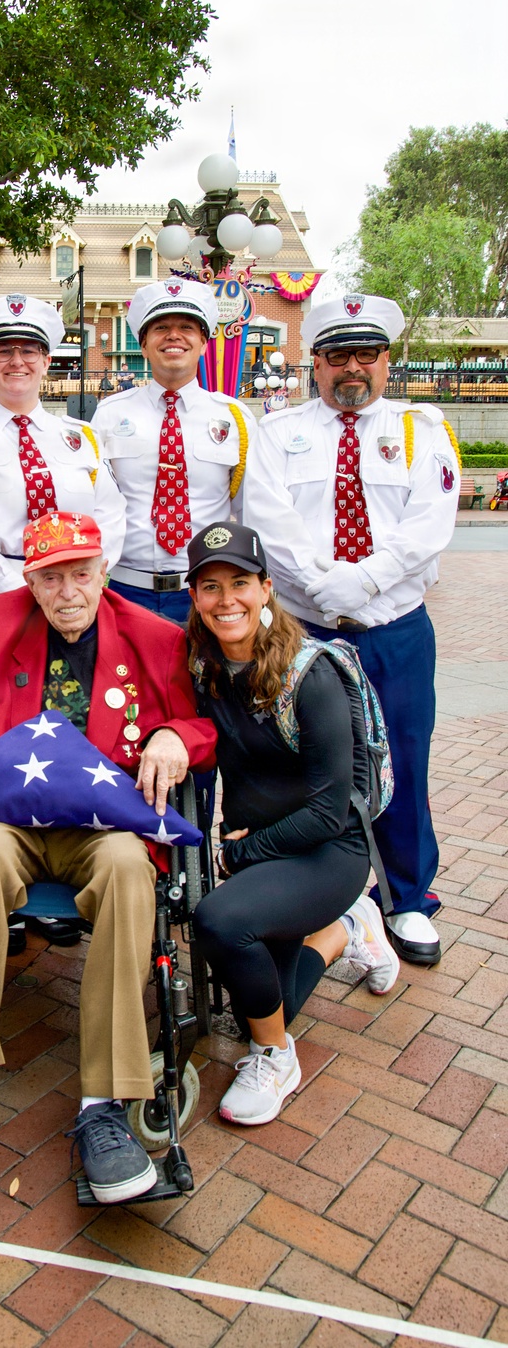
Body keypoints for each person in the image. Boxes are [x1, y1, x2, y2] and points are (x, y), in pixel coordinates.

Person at [0, 510, 217, 1199]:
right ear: (30, 585)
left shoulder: (155, 638)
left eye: (80, 573)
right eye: (50, 579)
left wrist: (175, 739)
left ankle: (105, 1104)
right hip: (13, 820)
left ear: (102, 572)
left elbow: (201, 723)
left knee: (132, 869)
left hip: (106, 826)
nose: (68, 591)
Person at [244, 294, 460, 966]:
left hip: (392, 626)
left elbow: (429, 524)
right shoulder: (277, 434)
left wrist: (360, 582)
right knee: (303, 768)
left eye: (365, 353)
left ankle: (408, 898)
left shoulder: (424, 429)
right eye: (338, 355)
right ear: (316, 362)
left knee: (403, 758)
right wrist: (319, 584)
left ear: (386, 359)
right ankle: (313, 894)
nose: (352, 368)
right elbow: (269, 519)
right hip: (303, 631)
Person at [186, 522, 400, 1126]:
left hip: (328, 850)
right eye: (209, 587)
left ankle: (275, 1058)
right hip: (267, 849)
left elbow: (331, 811)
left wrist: (243, 853)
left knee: (220, 924)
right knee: (257, 995)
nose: (226, 600)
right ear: (195, 599)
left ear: (267, 588)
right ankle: (348, 933)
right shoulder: (204, 666)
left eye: (239, 583)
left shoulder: (313, 674)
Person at [0, 295, 125, 601]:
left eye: (30, 351)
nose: (17, 361)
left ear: (46, 362)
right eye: (4, 351)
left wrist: (84, 578)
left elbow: (111, 514)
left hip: (75, 596)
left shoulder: (84, 437)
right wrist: (19, 587)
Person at [92, 280, 255, 625]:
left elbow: (252, 510)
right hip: (125, 591)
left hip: (206, 594)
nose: (174, 336)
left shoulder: (235, 417)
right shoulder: (109, 414)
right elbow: (96, 504)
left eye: (186, 328)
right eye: (161, 328)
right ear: (145, 345)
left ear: (203, 345)